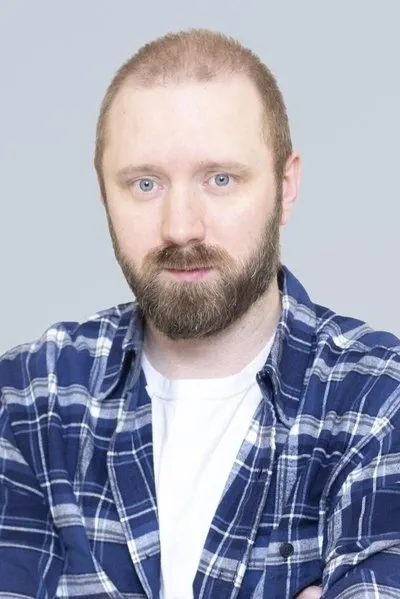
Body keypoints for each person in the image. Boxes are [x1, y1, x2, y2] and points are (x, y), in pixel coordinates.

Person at [0, 28, 399, 599]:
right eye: (145, 184)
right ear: (104, 192)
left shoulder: (379, 400)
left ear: (285, 187)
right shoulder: (29, 400)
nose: (181, 227)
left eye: (220, 179)